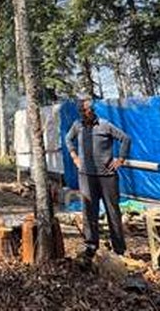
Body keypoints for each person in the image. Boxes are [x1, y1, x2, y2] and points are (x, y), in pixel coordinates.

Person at [65, 98, 131, 259]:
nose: (82, 113)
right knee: (89, 211)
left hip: (107, 176)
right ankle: (91, 246)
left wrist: (120, 159)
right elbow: (68, 139)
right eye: (80, 111)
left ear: (92, 110)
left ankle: (119, 249)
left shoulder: (105, 125)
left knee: (112, 211)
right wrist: (74, 157)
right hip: (86, 176)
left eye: (84, 110)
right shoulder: (78, 126)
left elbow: (125, 139)